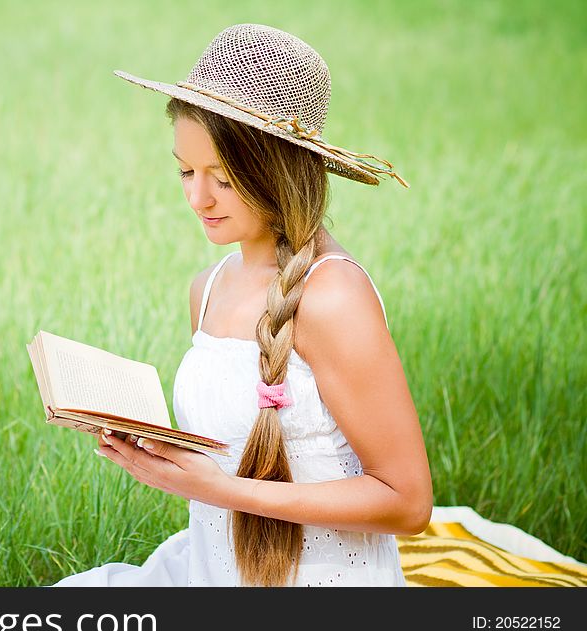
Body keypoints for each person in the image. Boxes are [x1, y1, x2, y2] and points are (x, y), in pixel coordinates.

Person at [54, 23, 433, 587]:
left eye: (222, 180)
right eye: (185, 170)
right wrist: (160, 449)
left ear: (274, 171)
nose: (195, 198)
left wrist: (216, 489)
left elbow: (407, 501)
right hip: (214, 569)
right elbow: (238, 437)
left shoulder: (333, 298)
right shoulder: (206, 289)